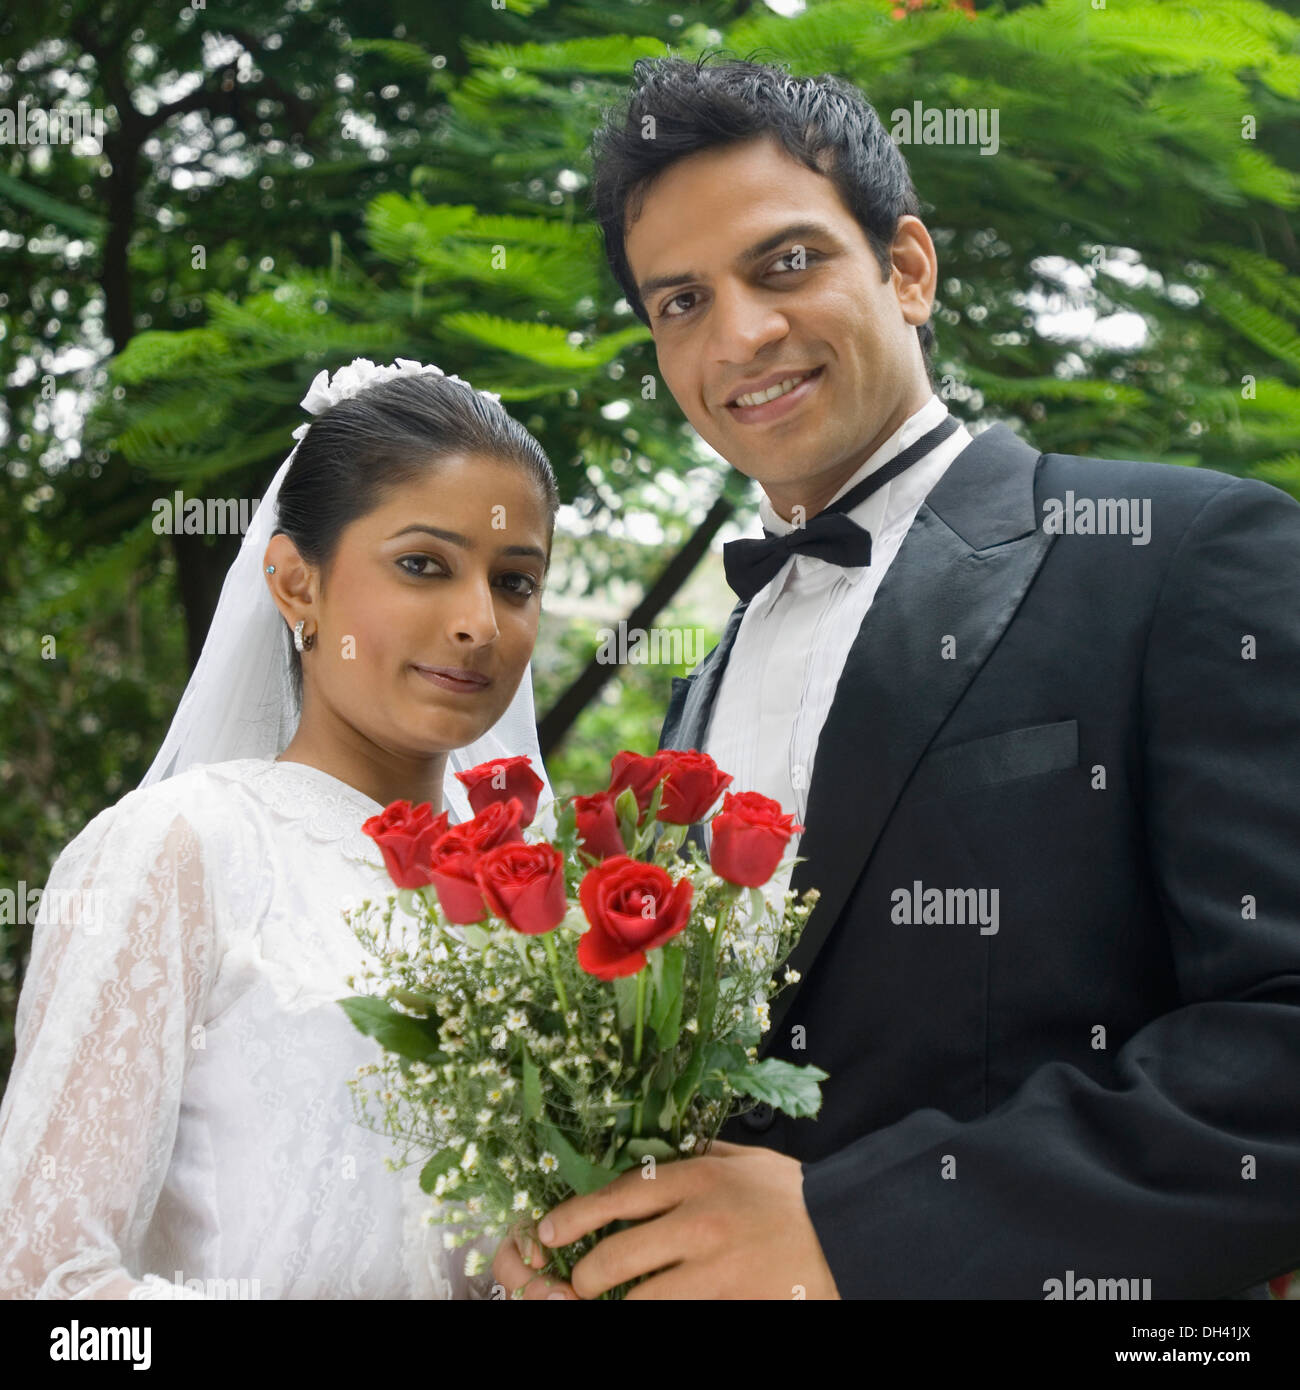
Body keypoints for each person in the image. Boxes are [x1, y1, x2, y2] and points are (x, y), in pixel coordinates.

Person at [496, 55, 1300, 1300]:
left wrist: (859, 1232)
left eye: (784, 264)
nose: (741, 335)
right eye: (680, 303)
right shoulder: (694, 694)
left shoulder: (1184, 555)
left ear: (907, 269)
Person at [0, 358, 560, 1299]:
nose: (478, 623)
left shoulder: (542, 890)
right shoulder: (181, 849)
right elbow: (36, 1275)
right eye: (423, 565)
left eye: (514, 582)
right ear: (297, 584)